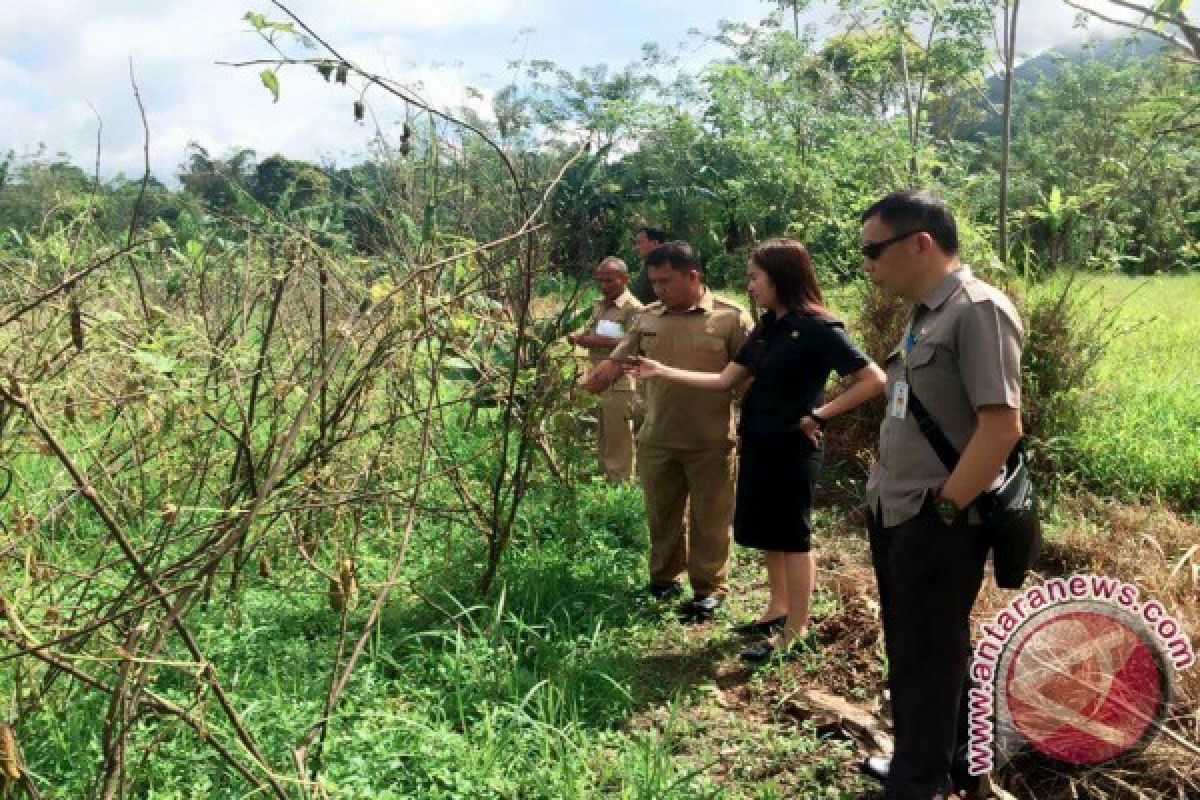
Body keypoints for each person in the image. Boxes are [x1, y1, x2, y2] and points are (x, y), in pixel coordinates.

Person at [631, 239, 885, 660]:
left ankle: (796, 630)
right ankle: (776, 609)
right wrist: (662, 370)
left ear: (780, 278)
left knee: (793, 535)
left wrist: (821, 415)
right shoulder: (768, 327)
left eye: (755, 277)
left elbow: (874, 379)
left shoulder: (820, 328)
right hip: (761, 442)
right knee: (770, 531)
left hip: (793, 447)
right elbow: (723, 380)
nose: (750, 286)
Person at [859, 190, 1024, 800]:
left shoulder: (977, 309)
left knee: (925, 654)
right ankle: (955, 762)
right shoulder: (926, 310)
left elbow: (1002, 426)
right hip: (897, 506)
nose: (868, 263)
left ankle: (918, 781)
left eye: (875, 249)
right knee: (926, 643)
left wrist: (945, 512)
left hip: (940, 515)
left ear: (921, 244)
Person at [584, 242, 751, 622]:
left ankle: (708, 589)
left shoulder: (730, 319)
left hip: (710, 440)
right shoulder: (648, 317)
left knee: (711, 518)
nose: (658, 290)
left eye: (666, 282)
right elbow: (617, 359)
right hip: (657, 438)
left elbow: (750, 376)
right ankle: (664, 579)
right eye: (653, 282)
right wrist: (584, 388)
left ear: (693, 276)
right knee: (662, 514)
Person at [568, 257, 644, 483]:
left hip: (620, 378)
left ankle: (620, 479)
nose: (604, 286)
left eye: (609, 281)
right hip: (597, 374)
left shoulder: (634, 309)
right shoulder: (600, 305)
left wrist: (594, 341)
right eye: (600, 281)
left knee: (618, 431)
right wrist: (579, 337)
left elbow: (634, 344)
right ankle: (604, 473)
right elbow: (590, 330)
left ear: (624, 280)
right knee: (603, 429)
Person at [628, 225, 666, 305]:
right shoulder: (648, 266)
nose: (636, 248)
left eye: (640, 243)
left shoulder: (665, 268)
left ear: (655, 243)